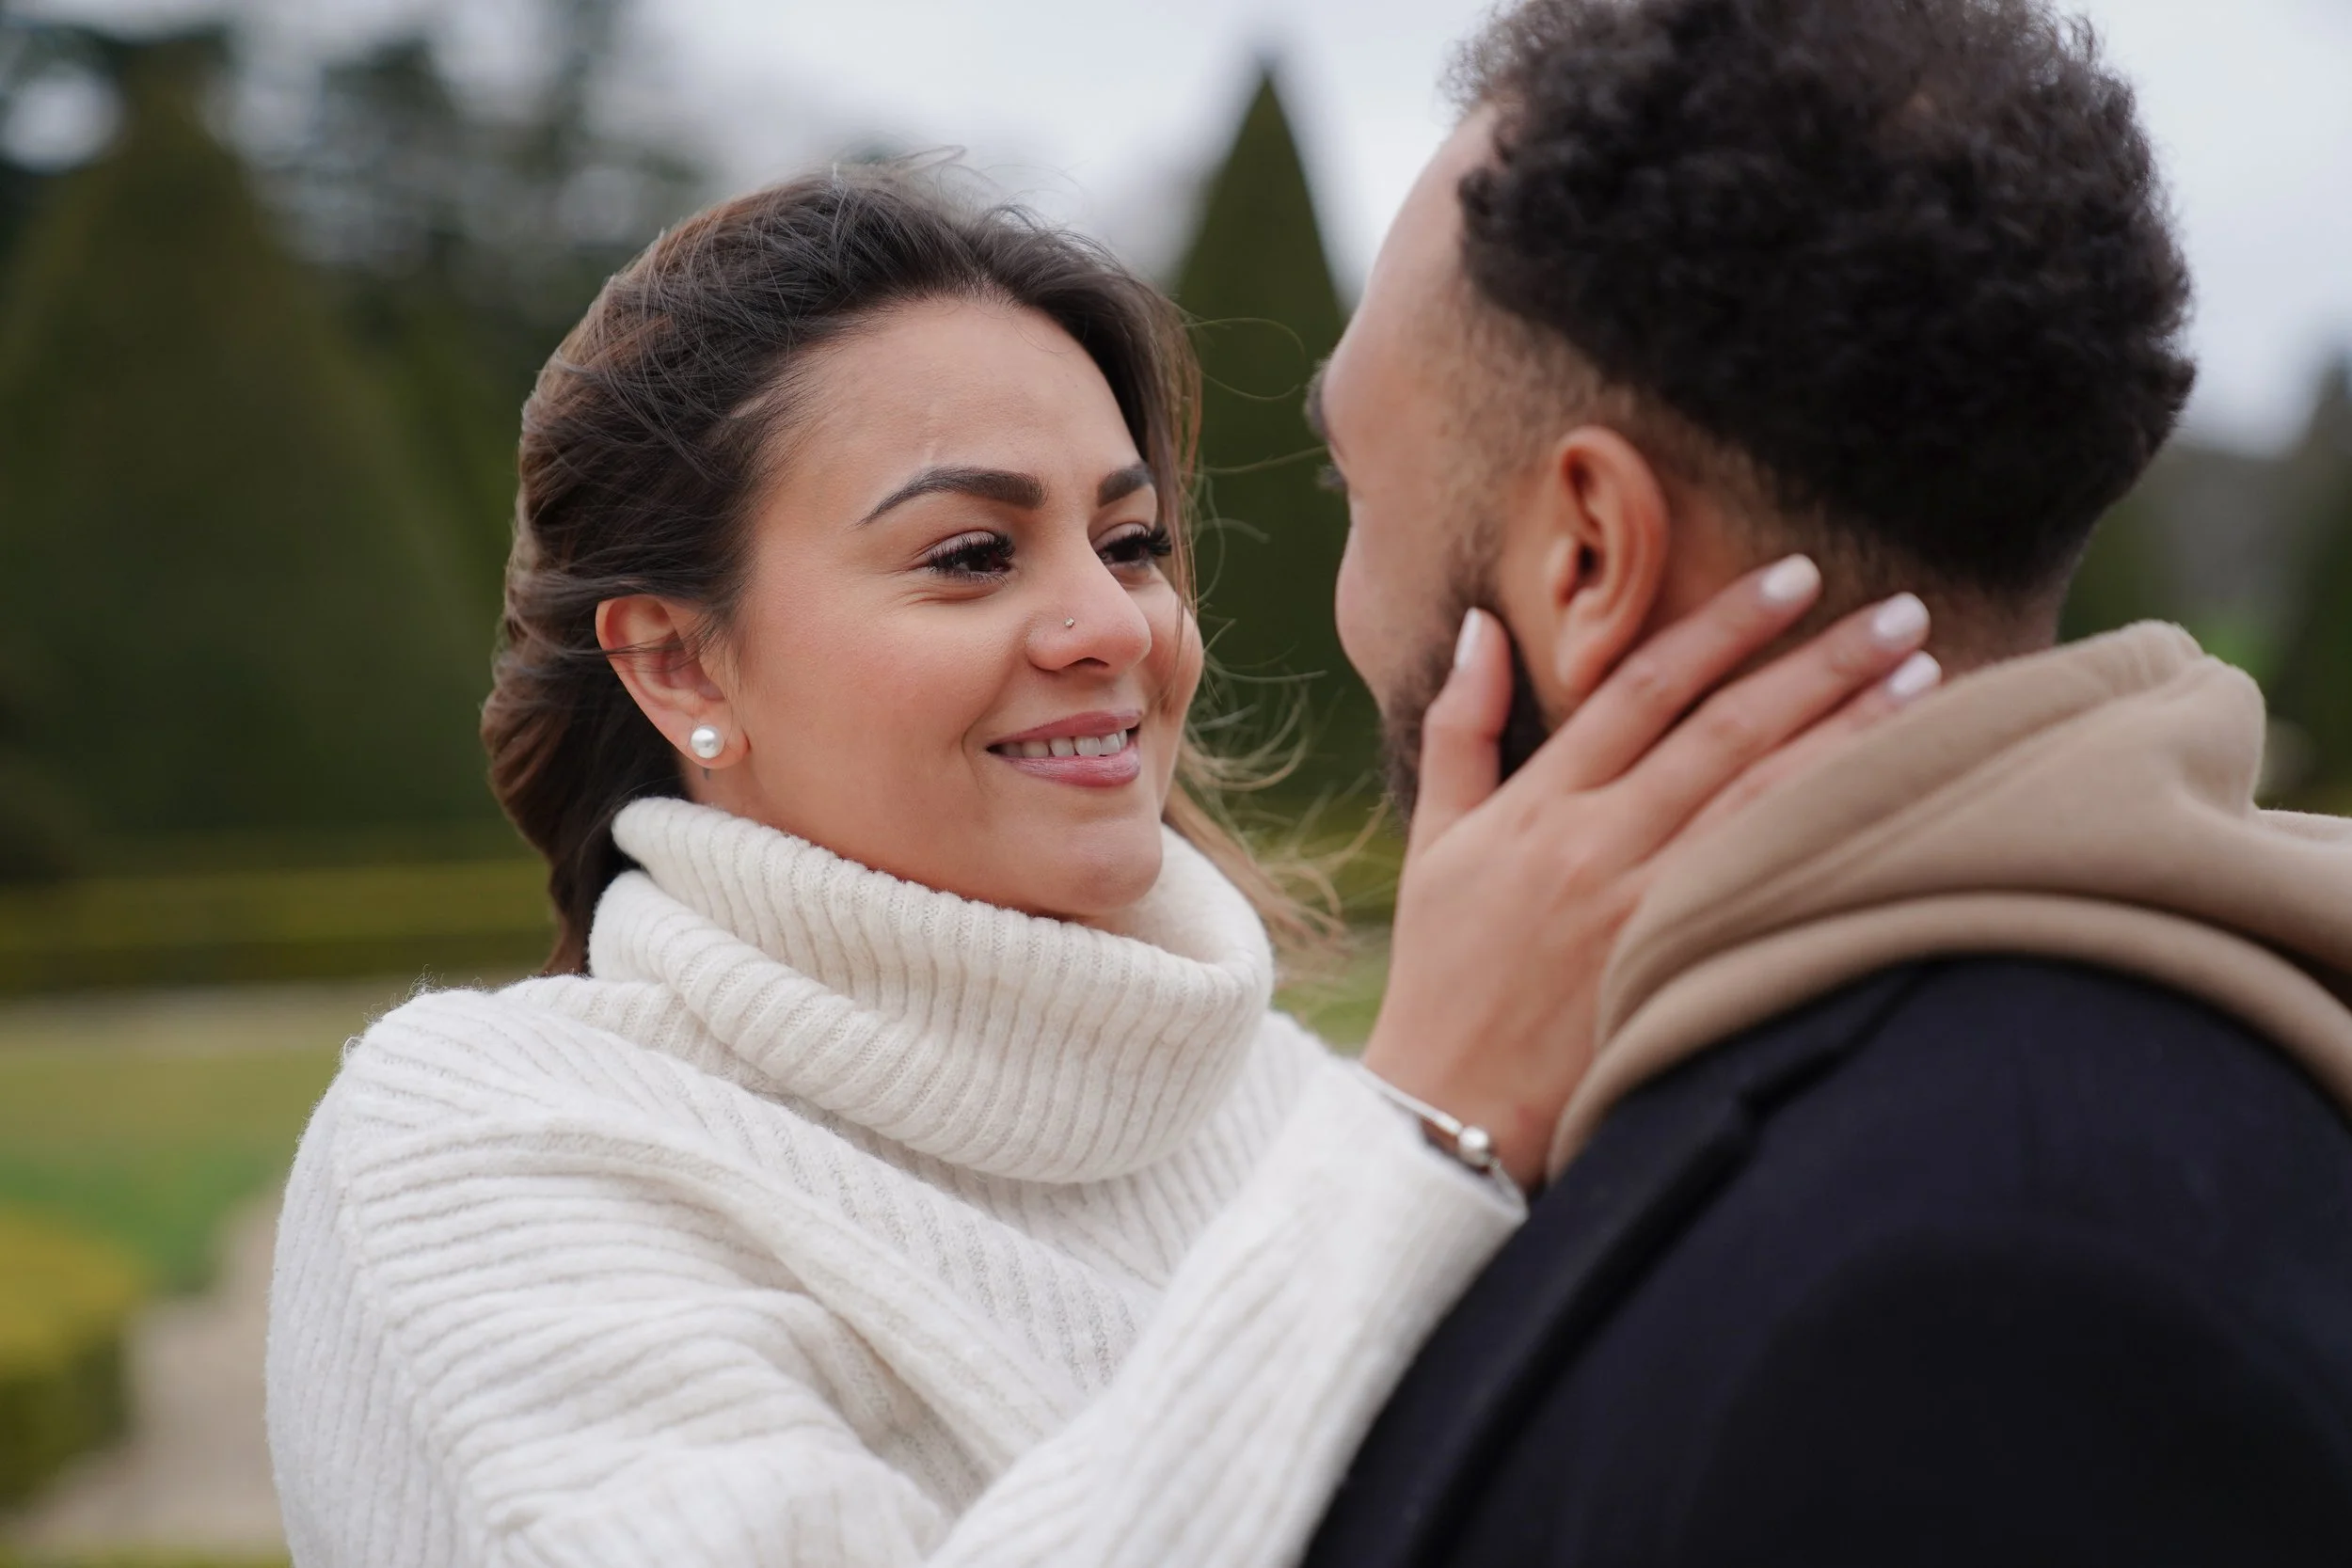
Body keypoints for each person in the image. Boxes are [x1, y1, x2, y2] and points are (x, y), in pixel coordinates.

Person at [262, 170, 1939, 1566]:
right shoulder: (485, 1139)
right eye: (971, 554)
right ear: (681, 666)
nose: (1112, 627)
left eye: (1132, 540)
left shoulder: (1295, 1113)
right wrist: (1422, 1125)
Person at [1301, 1, 2352, 1563]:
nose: (1345, 591)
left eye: (1354, 492)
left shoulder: (1954, 1308)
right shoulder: (2162, 1101)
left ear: (1587, 554)